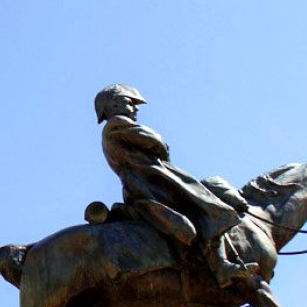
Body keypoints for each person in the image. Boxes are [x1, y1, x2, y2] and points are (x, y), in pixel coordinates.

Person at [95, 84, 257, 287]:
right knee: (205, 206)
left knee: (204, 204)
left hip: (152, 182)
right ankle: (220, 266)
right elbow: (157, 142)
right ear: (114, 104)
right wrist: (160, 148)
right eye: (130, 103)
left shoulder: (115, 127)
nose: (135, 109)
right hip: (151, 185)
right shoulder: (116, 124)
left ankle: (220, 263)